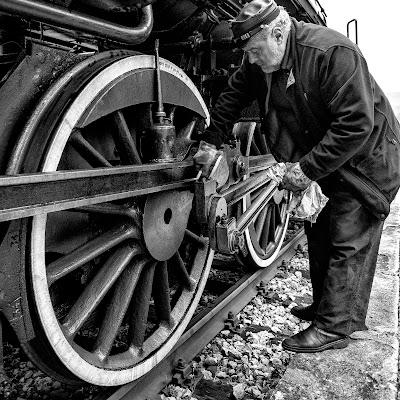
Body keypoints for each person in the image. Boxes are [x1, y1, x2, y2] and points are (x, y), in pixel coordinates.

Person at [193, 0, 400, 352]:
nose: (253, 60)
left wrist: (305, 170)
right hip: (326, 154)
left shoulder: (331, 52)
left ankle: (334, 328)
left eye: (255, 52)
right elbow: (232, 95)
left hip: (367, 159)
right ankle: (325, 308)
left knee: (347, 237)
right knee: (318, 229)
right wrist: (210, 142)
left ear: (277, 33)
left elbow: (356, 125)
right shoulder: (261, 58)